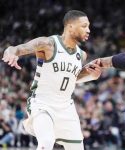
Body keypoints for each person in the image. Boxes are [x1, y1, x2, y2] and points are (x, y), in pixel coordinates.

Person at [2, 10, 102, 150]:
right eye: (84, 26)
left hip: (66, 107)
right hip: (42, 103)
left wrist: (93, 76)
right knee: (46, 142)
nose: (88, 30)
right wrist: (10, 52)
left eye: (88, 26)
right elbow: (19, 48)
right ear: (70, 26)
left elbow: (72, 78)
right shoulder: (48, 43)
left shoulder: (82, 55)